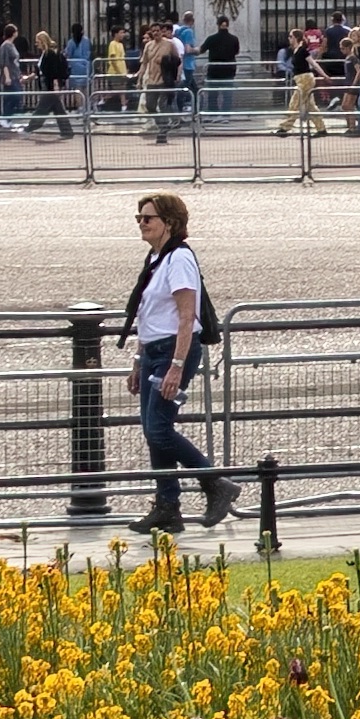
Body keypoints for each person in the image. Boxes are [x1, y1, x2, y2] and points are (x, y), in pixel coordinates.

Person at [128, 188, 230, 532]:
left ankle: (214, 482)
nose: (141, 223)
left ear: (169, 222)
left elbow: (187, 317)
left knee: (157, 428)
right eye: (139, 218)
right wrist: (139, 360)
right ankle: (168, 506)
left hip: (173, 352)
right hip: (155, 351)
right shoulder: (156, 260)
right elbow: (150, 314)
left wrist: (175, 365)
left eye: (148, 218)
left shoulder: (179, 259)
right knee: (153, 431)